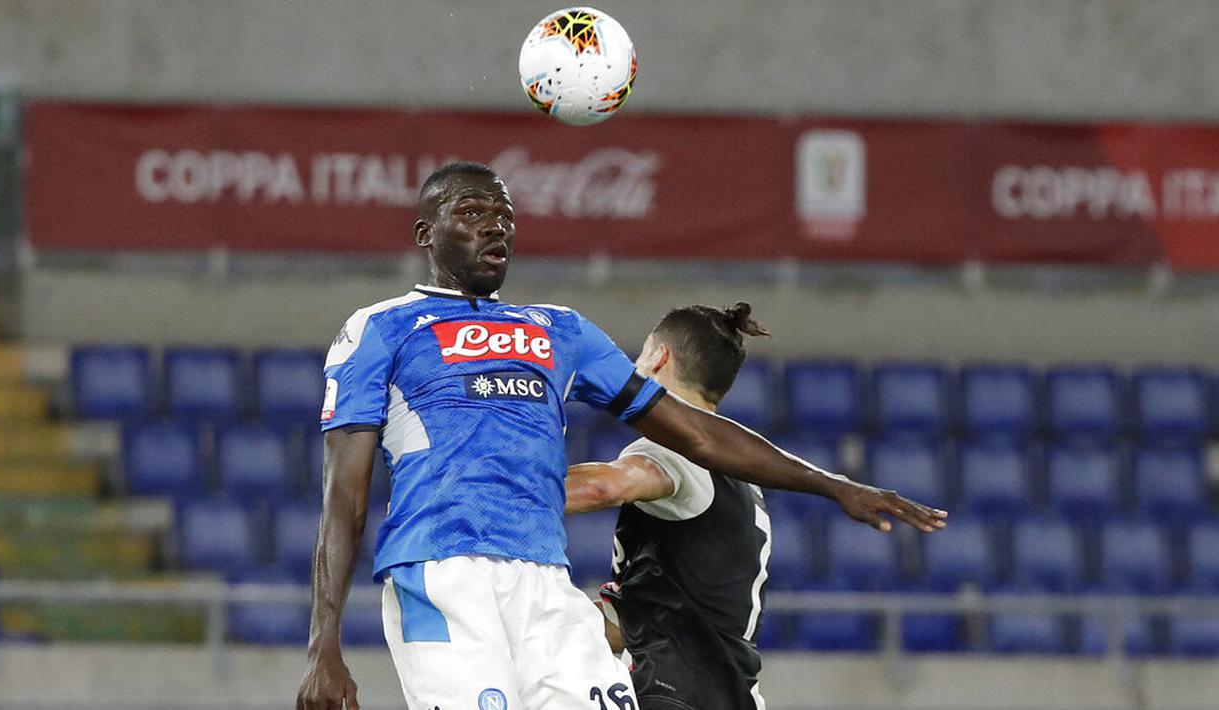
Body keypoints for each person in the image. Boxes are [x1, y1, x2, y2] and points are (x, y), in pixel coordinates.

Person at [295, 161, 947, 710]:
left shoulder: (560, 330)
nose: (495, 224)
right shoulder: (379, 328)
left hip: (546, 586)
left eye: (505, 214)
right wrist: (324, 643)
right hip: (440, 576)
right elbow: (342, 496)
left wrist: (833, 486)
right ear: (424, 234)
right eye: (471, 212)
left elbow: (695, 434)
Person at [565, 302, 948, 709]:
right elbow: (649, 621)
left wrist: (502, 488)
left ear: (659, 357)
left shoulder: (673, 451)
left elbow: (605, 488)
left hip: (678, 696)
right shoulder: (739, 479)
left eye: (641, 353)